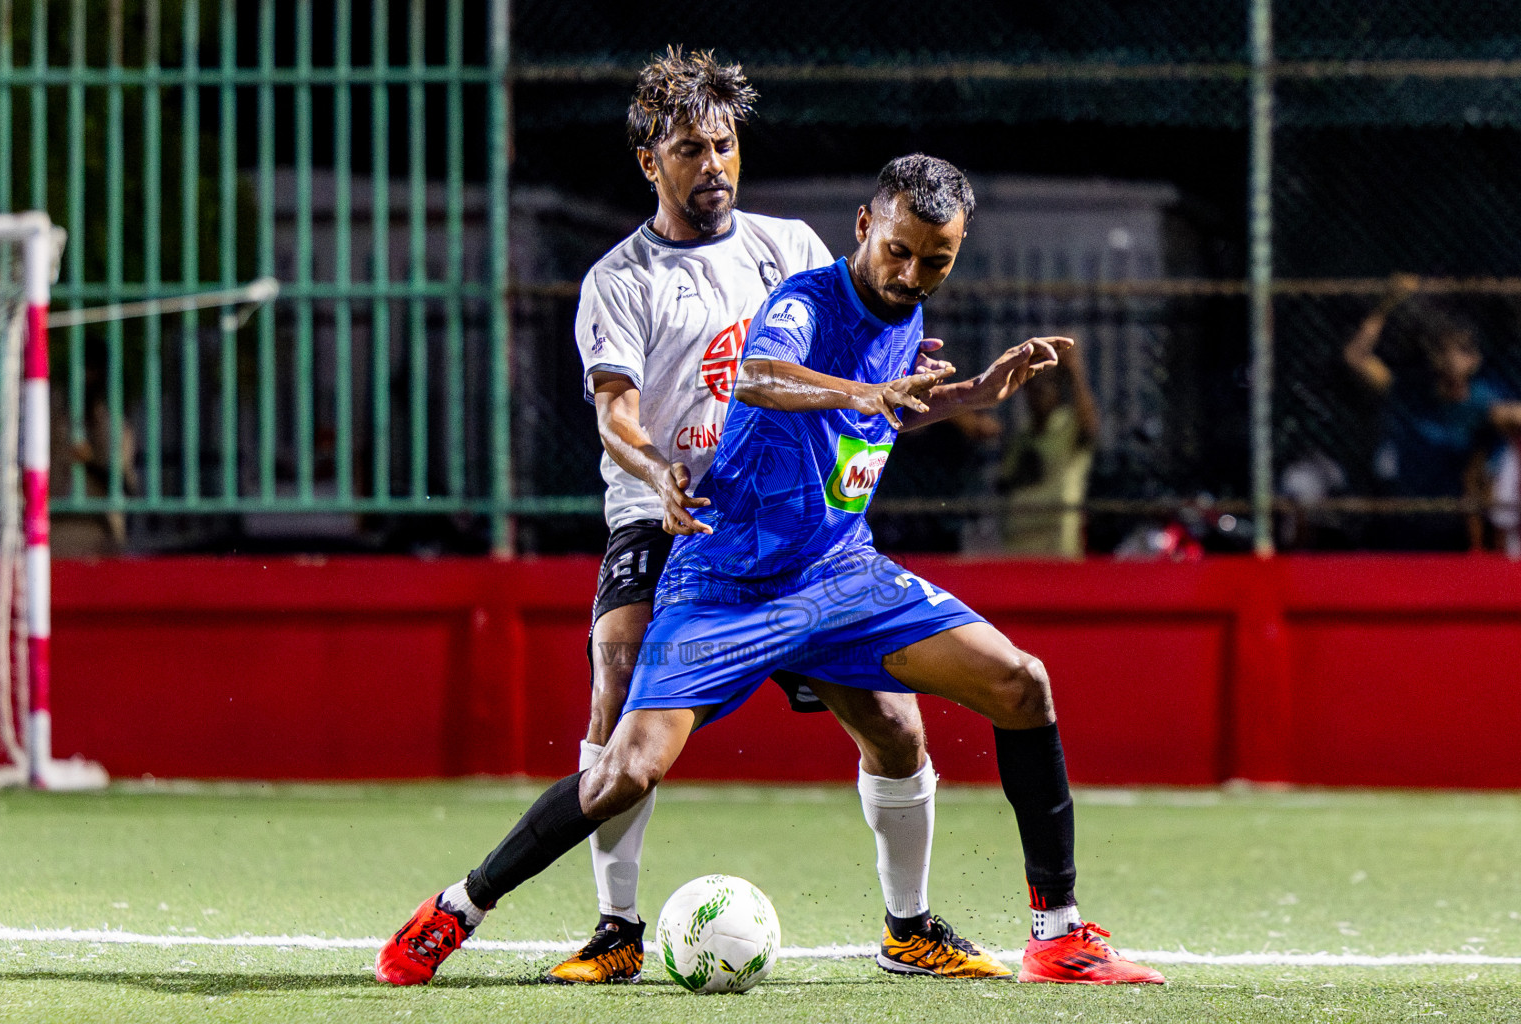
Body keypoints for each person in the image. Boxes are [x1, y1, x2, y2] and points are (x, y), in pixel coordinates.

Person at [377, 155, 1165, 987]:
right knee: (625, 768)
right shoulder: (805, 301)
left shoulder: (905, 308)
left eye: (937, 260)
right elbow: (756, 377)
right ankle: (460, 906)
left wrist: (969, 395)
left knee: (1018, 687)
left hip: (837, 574)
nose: (912, 273)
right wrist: (855, 394)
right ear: (865, 227)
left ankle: (1050, 933)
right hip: (725, 580)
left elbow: (888, 405)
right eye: (899, 250)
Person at [528, 49, 1002, 985]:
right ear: (648, 161)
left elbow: (850, 332)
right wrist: (659, 470)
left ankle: (908, 927)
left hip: (790, 536)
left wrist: (901, 372)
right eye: (691, 149)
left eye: (726, 144)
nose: (714, 165)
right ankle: (616, 928)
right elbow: (616, 416)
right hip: (667, 515)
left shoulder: (785, 246)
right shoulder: (619, 281)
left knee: (890, 722)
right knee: (616, 677)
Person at [1344, 274, 1521, 550]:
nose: (1452, 360)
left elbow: (1510, 417)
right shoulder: (1410, 392)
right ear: (1431, 354)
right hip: (1405, 518)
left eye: (1462, 351)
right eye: (1443, 350)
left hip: (1457, 526)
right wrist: (1387, 304)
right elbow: (1356, 357)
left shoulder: (1486, 400)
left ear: (1476, 359)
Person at [997, 340, 1100, 557]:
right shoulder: (1022, 437)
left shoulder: (1068, 426)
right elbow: (1008, 481)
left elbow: (1089, 426)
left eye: (1047, 385)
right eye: (1034, 387)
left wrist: (1073, 370)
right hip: (1018, 543)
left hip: (1057, 542)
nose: (1039, 392)